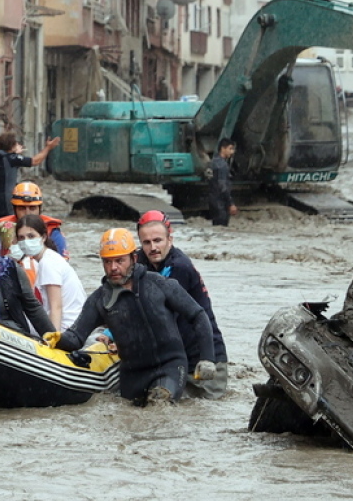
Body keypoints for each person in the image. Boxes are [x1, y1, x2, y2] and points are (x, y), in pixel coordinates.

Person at [44, 228, 216, 406]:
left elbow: (198, 315)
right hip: (132, 375)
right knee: (128, 421)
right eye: (107, 262)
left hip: (169, 366)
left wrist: (207, 358)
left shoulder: (159, 284)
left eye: (119, 260)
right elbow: (77, 337)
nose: (113, 268)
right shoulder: (99, 300)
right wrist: (57, 338)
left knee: (159, 404)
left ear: (134, 258)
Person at [137, 210, 228, 399]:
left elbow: (159, 317)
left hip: (203, 359)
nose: (153, 247)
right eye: (146, 242)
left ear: (170, 239)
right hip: (176, 359)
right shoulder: (141, 262)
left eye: (158, 240)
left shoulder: (180, 267)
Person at [14, 215, 85, 332]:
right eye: (21, 238)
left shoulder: (48, 263)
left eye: (31, 236)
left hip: (67, 327)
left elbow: (56, 306)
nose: (26, 241)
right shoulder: (45, 260)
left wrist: (54, 339)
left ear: (43, 237)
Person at [0, 132, 60, 226]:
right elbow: (35, 161)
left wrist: (14, 153)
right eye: (16, 144)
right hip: (6, 205)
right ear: (11, 146)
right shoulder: (11, 158)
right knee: (8, 232)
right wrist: (48, 148)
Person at [0, 182, 69, 257]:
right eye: (22, 208)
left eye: (32, 208)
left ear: (39, 209)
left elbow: (62, 262)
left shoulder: (53, 232)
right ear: (14, 210)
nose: (27, 213)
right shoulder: (3, 230)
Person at [206, 138, 237, 226]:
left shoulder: (212, 163)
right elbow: (223, 186)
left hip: (212, 200)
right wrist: (231, 203)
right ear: (223, 148)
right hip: (221, 203)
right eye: (230, 149)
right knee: (222, 226)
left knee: (216, 227)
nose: (232, 152)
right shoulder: (222, 165)